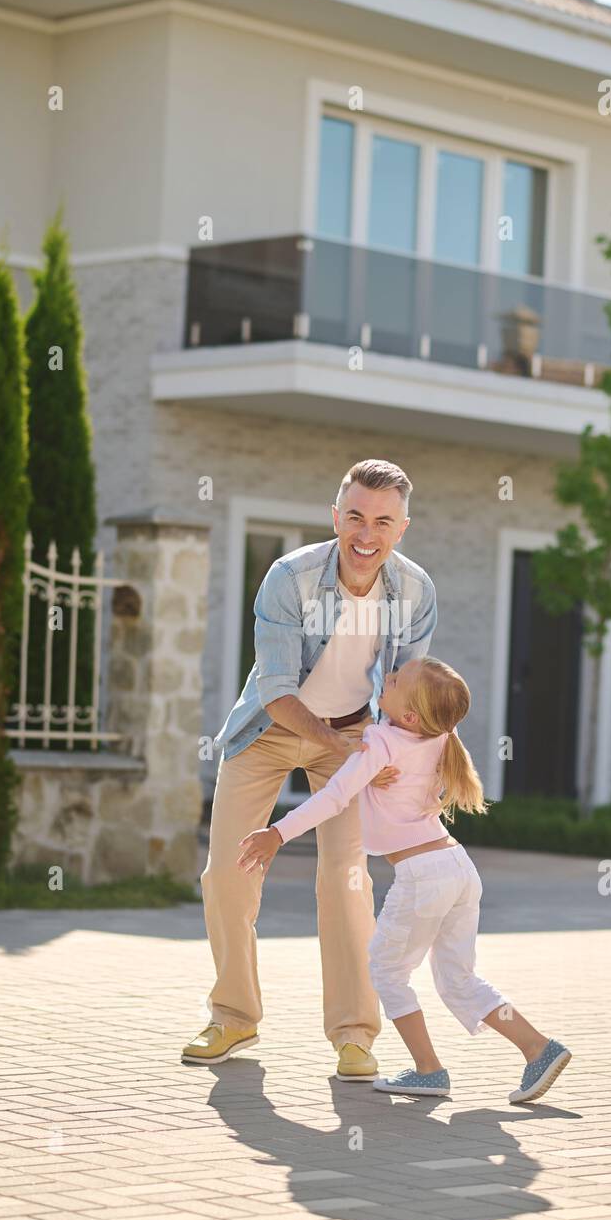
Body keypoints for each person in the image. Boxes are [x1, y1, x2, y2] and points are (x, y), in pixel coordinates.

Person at [182, 459, 438, 1082]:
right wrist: (335, 742)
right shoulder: (289, 578)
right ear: (335, 517)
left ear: (402, 527)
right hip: (271, 730)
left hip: (352, 734)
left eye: (382, 521)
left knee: (347, 881)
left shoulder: (414, 592)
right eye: (354, 516)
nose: (366, 534)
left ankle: (354, 1033)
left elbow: (409, 697)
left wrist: (388, 760)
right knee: (228, 872)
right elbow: (274, 689)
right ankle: (234, 1015)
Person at [238, 656, 573, 1103]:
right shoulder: (439, 736)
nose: (386, 678)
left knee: (386, 970)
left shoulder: (379, 741)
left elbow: (335, 797)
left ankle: (428, 1070)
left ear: (410, 715)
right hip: (456, 867)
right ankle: (538, 1048)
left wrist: (276, 833)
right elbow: (408, 718)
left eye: (395, 681)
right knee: (458, 980)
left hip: (423, 877)